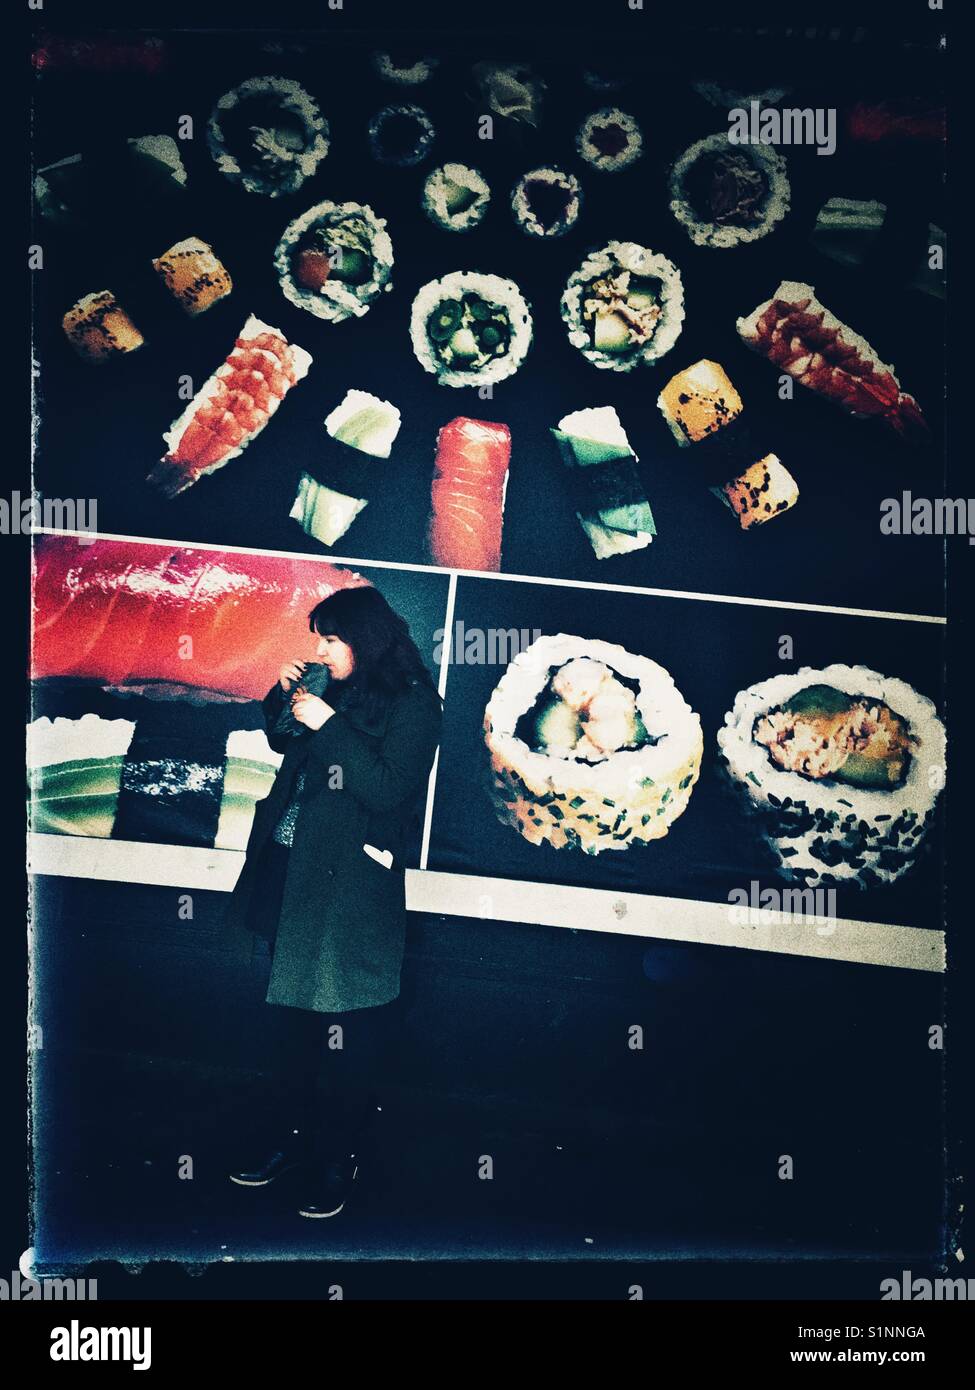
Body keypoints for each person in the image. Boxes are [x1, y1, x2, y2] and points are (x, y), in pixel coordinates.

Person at [221, 585, 442, 1219]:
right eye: (319, 637)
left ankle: (336, 1158)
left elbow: (387, 789)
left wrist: (331, 725)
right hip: (289, 873)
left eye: (331, 638)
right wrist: (284, 697)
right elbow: (282, 741)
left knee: (346, 1027)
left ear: (365, 641)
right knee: (290, 1021)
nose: (321, 649)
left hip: (348, 886)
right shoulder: (335, 691)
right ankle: (287, 1144)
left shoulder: (417, 707)